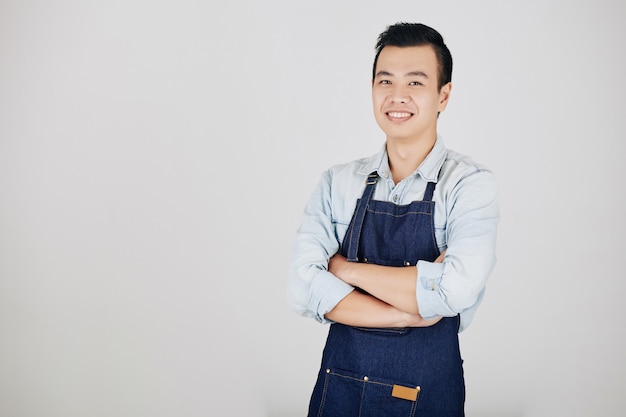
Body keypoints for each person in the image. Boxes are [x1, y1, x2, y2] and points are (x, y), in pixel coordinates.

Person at [287, 22, 499, 417]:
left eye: (415, 83)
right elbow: (302, 288)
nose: (397, 96)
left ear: (443, 95)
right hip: (340, 392)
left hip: (429, 395)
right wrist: (408, 312)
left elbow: (452, 291)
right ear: (372, 90)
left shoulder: (469, 185)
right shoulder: (338, 182)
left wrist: (346, 271)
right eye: (385, 81)